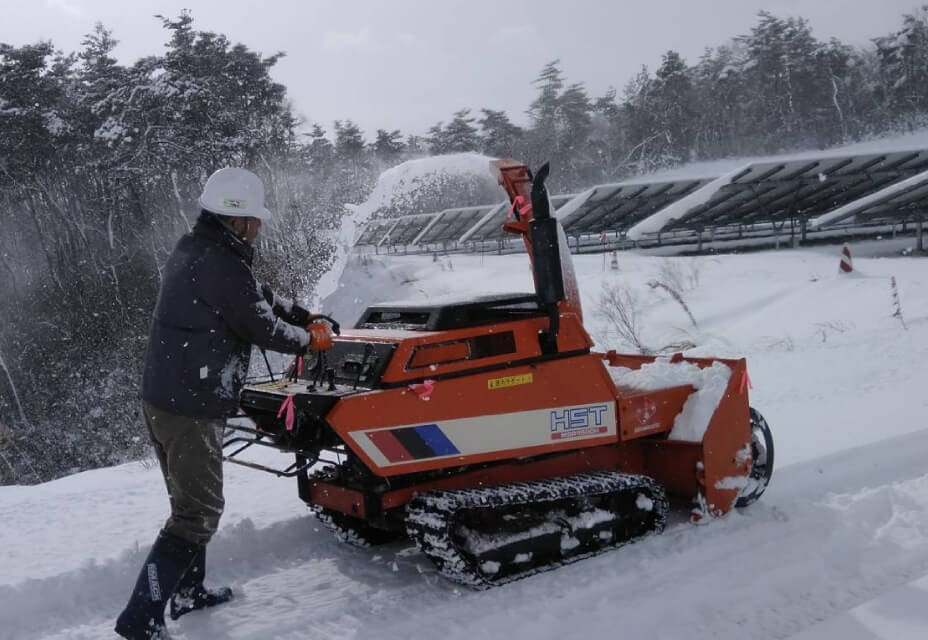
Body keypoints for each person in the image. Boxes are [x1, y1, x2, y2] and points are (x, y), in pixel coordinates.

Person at [115, 168, 334, 639]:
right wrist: (309, 340)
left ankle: (188, 593)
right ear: (237, 220)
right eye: (255, 219)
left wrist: (303, 314)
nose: (260, 227)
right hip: (188, 408)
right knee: (198, 513)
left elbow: (259, 297)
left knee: (188, 505)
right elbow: (262, 327)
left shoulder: (200, 249)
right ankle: (140, 621)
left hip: (167, 399)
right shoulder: (219, 263)